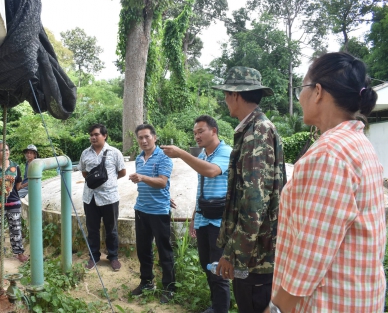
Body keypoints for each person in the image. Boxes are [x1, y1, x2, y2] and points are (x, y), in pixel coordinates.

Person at [266, 52, 386, 313]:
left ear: (317, 92)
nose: (300, 98)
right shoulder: (359, 145)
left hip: (327, 302)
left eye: (302, 88)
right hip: (358, 296)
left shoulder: (329, 153)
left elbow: (311, 253)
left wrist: (276, 308)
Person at [212, 66, 286, 313]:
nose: (225, 100)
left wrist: (234, 255)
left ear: (235, 95)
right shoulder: (254, 129)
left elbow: (254, 202)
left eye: (226, 94)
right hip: (256, 256)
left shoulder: (257, 133)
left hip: (257, 260)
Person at [161, 115, 232, 313]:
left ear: (214, 131)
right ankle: (216, 305)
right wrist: (194, 215)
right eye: (194, 133)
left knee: (219, 271)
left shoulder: (226, 152)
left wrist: (181, 154)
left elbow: (211, 172)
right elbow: (202, 188)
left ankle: (221, 310)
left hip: (219, 222)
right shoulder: (203, 155)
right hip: (203, 218)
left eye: (200, 131)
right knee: (206, 265)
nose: (197, 136)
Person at [128, 124, 176, 304]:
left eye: (147, 136)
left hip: (159, 212)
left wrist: (143, 178)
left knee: (165, 251)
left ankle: (169, 287)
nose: (143, 140)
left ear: (155, 137)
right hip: (141, 210)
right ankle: (146, 282)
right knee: (143, 250)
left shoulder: (164, 157)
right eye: (140, 138)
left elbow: (163, 182)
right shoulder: (139, 159)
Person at [78, 124, 126, 271]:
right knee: (92, 229)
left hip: (109, 197)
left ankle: (113, 257)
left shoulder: (115, 153)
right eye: (91, 135)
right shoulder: (85, 153)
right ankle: (94, 256)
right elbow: (84, 172)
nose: (93, 137)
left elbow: (122, 172)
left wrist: (108, 182)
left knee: (111, 229)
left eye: (96, 134)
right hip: (90, 197)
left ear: (104, 135)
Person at [0, 142, 28, 263]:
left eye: (7, 150)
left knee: (16, 229)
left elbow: (18, 185)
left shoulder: (15, 167)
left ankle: (19, 253)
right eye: (2, 150)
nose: (5, 152)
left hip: (13, 203)